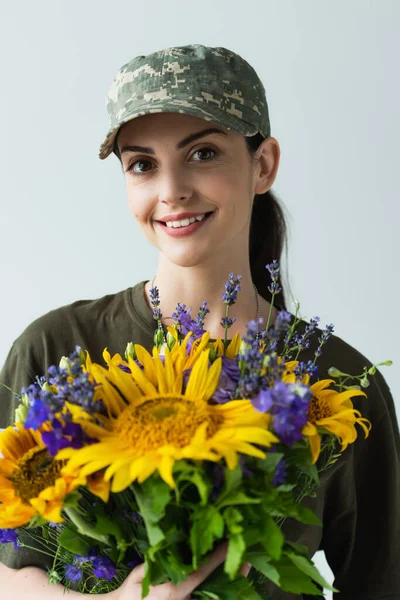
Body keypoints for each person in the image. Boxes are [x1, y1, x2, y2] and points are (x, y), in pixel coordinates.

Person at [0, 44, 399, 600]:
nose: (171, 192)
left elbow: (381, 583)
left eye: (203, 154)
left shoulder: (337, 382)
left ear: (263, 165)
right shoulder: (58, 349)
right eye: (142, 164)